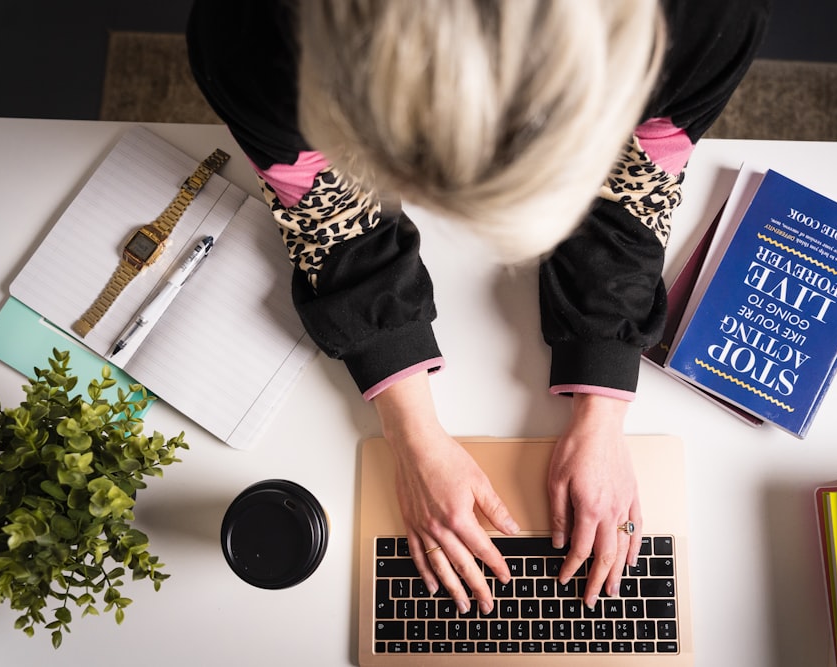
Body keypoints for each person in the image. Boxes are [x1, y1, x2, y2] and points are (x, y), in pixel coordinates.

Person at [188, 0, 770, 615]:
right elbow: (331, 218)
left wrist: (603, 406)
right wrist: (411, 434)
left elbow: (636, 182)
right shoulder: (252, 43)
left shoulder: (709, 21)